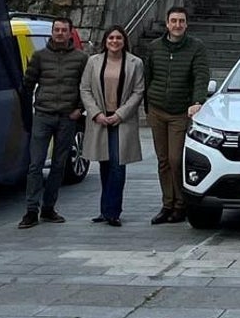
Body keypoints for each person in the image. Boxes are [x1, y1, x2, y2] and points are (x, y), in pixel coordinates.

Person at [18, 17, 89, 229]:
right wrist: (29, 111)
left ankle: (49, 207)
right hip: (43, 114)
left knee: (59, 165)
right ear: (52, 32)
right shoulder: (39, 56)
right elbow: (27, 84)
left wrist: (79, 109)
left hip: (67, 117)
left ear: (70, 33)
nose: (59, 33)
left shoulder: (80, 58)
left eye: (63, 30)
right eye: (56, 30)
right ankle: (31, 209)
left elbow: (86, 86)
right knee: (35, 164)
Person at [143, 6, 209, 224]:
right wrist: (147, 104)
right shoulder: (155, 47)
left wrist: (197, 101)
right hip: (157, 108)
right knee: (162, 160)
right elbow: (148, 75)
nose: (177, 25)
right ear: (167, 23)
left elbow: (201, 75)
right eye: (174, 21)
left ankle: (181, 204)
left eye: (181, 21)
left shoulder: (196, 47)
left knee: (176, 158)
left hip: (180, 111)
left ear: (186, 24)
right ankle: (167, 204)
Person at [80, 25, 145, 226]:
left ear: (124, 40)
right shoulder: (93, 62)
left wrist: (120, 114)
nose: (114, 41)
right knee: (105, 163)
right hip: (100, 119)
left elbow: (138, 91)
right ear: (105, 41)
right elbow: (85, 88)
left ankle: (113, 211)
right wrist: (96, 113)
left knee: (118, 165)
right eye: (111, 38)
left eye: (118, 38)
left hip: (121, 120)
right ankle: (104, 209)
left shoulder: (135, 63)